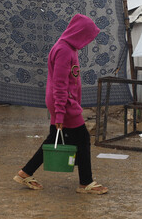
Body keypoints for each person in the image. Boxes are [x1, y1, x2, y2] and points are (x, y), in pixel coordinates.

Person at [13, 13, 108, 195]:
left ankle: (25, 173)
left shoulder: (67, 48)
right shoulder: (64, 50)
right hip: (65, 103)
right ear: (79, 33)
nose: (87, 41)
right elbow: (60, 84)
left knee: (55, 139)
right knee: (83, 139)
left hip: (63, 102)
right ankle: (85, 183)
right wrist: (59, 113)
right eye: (86, 36)